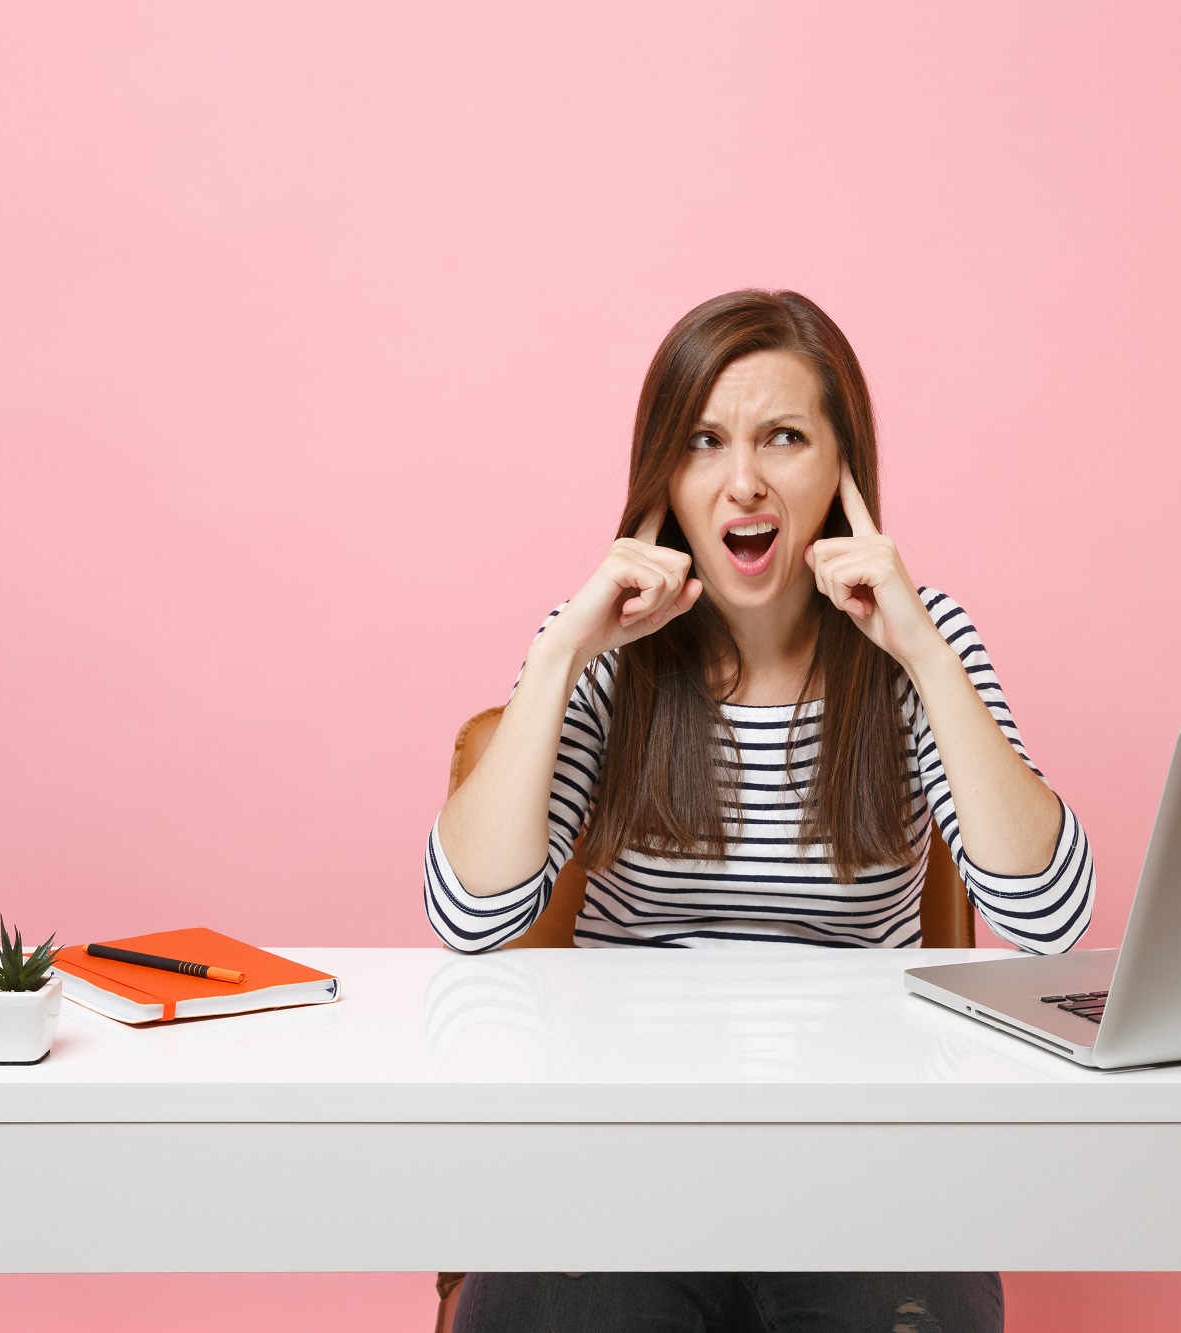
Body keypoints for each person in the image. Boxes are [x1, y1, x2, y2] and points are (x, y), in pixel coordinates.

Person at [425, 289, 1094, 1332]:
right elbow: (469, 919)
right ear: (664, 482)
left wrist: (918, 649)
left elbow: (1050, 920)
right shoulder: (605, 651)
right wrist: (560, 653)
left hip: (861, 1159)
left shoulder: (922, 643)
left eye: (783, 437)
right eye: (702, 442)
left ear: (841, 472)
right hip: (622, 1154)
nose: (743, 480)